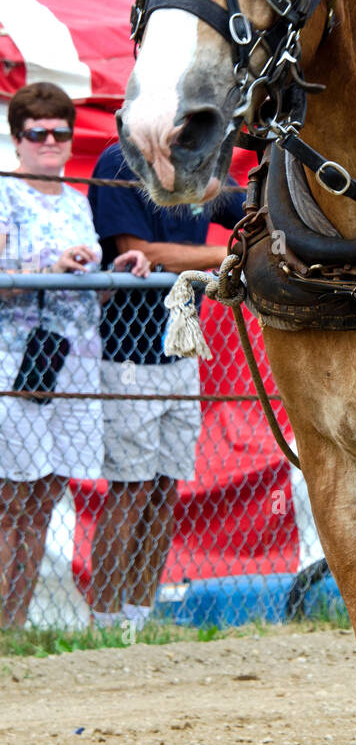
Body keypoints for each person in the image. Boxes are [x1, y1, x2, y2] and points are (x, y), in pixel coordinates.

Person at [0, 84, 147, 627]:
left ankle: (13, 625)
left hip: (75, 362)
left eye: (60, 131)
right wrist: (51, 267)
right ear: (17, 140)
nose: (50, 141)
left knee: (43, 501)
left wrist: (118, 270)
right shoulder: (5, 193)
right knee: (11, 502)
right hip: (18, 362)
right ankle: (2, 628)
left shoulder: (76, 199)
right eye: (37, 132)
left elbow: (91, 289)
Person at [87, 143, 246, 628]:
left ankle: (138, 617)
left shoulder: (202, 160)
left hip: (179, 348)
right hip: (126, 352)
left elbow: (253, 211)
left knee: (163, 489)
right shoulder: (119, 161)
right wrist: (224, 254)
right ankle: (105, 619)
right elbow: (141, 253)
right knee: (130, 489)